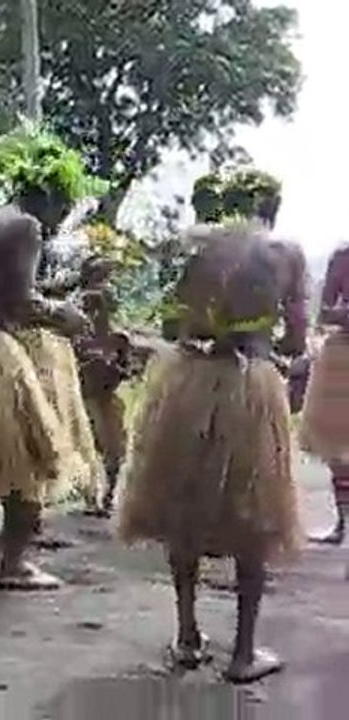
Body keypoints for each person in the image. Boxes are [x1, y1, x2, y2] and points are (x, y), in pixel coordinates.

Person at [118, 220, 305, 683]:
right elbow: (296, 339)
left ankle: (187, 635)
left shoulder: (200, 253)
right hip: (249, 388)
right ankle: (243, 654)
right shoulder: (283, 255)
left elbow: (172, 322)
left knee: (182, 501)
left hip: (188, 381)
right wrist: (268, 341)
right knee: (253, 513)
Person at [0, 207, 99, 590]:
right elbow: (21, 301)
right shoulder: (26, 227)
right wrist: (63, 316)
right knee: (33, 455)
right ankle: (14, 563)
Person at [74, 256, 135, 514]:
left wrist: (117, 369)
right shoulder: (77, 336)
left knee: (114, 449)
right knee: (85, 447)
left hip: (106, 397)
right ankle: (90, 496)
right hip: (84, 397)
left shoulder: (119, 339)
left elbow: (127, 369)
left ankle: (107, 495)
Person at [301, 244, 349, 546]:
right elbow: (325, 312)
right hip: (343, 355)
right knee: (339, 448)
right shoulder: (342, 258)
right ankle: (343, 524)